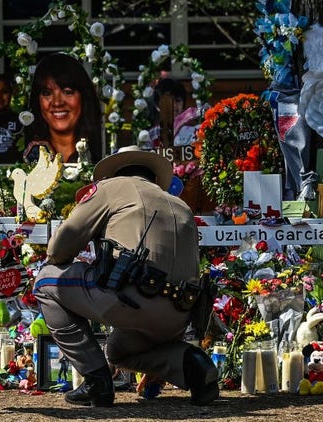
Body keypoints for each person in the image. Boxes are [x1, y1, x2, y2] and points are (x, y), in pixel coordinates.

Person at [33, 145, 218, 407]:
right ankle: (192, 364)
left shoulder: (111, 188)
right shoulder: (181, 205)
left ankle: (97, 381)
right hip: (179, 315)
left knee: (45, 281)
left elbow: (59, 248)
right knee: (119, 351)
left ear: (115, 173)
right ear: (152, 177)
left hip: (130, 297)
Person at [25, 53, 102, 164]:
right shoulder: (29, 155)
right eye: (47, 93)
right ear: (37, 101)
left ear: (83, 97)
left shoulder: (102, 152)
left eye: (67, 92)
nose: (57, 102)